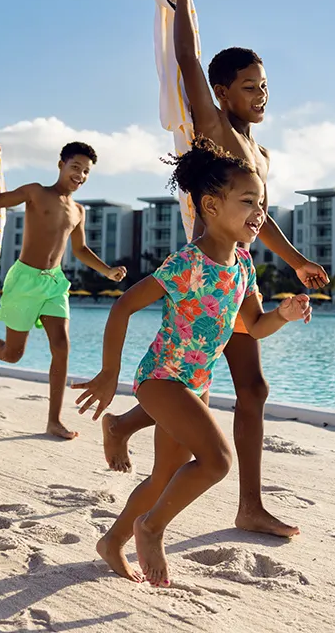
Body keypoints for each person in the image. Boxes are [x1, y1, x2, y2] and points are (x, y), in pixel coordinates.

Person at [101, 0, 329, 537]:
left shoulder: (259, 153)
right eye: (250, 86)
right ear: (224, 93)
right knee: (219, 383)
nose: (261, 94)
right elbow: (187, 60)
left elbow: (259, 217)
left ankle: (139, 430)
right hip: (208, 273)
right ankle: (233, 496)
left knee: (243, 385)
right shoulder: (214, 129)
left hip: (238, 271)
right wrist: (181, 4)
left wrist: (296, 260)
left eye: (265, 85)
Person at [73, 137, 311, 586]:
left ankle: (112, 541)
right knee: (218, 461)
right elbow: (123, 305)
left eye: (261, 202)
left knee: (164, 476)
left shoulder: (243, 266)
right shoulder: (186, 263)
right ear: (211, 205)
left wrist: (283, 313)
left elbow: (254, 327)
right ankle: (151, 527)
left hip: (195, 384)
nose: (259, 213)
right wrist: (109, 373)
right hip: (161, 379)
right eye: (247, 201)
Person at [0, 140, 127, 440]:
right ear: (61, 165)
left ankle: (54, 421)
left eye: (86, 172)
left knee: (61, 348)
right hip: (24, 281)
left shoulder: (79, 211)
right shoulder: (36, 192)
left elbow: (81, 249)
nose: (80, 176)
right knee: (12, 354)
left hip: (55, 284)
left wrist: (107, 270)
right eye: (76, 168)